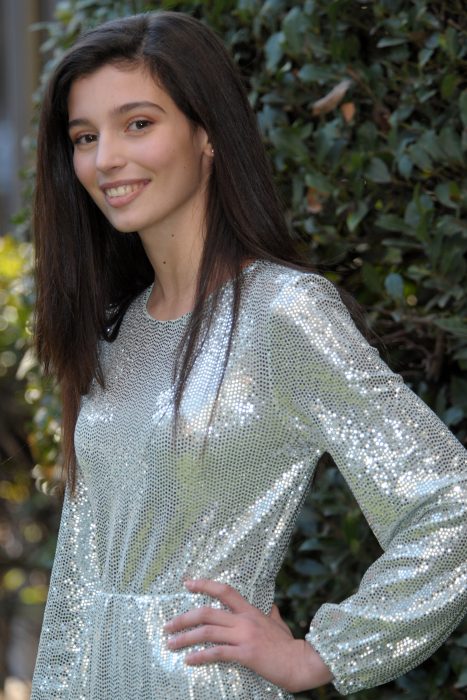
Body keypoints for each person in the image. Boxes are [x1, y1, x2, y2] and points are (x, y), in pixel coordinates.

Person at [30, 10, 466, 700]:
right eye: (85, 136)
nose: (104, 158)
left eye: (137, 124)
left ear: (207, 134)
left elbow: (452, 505)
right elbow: (80, 577)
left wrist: (323, 653)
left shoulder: (282, 313)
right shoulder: (115, 330)